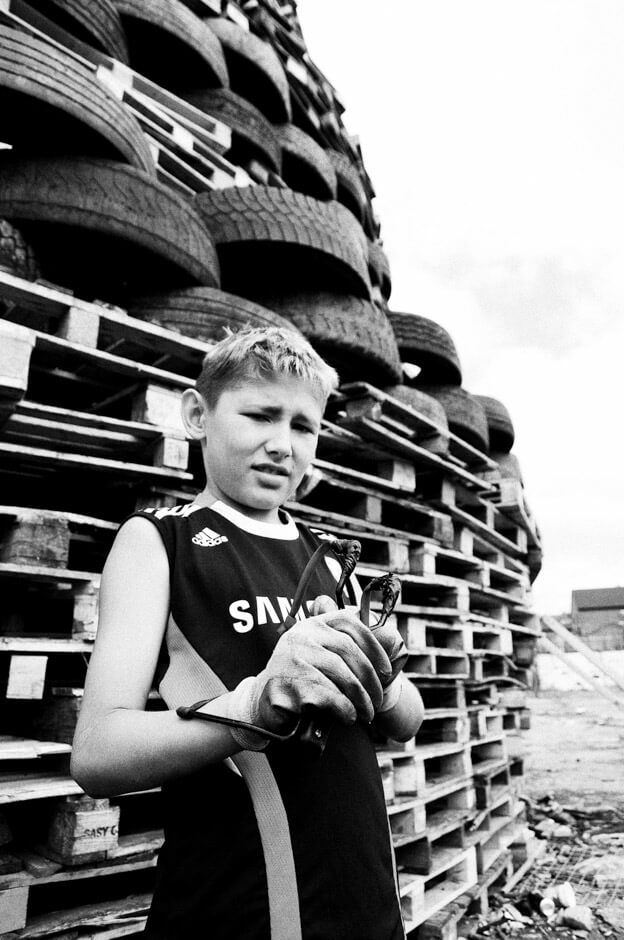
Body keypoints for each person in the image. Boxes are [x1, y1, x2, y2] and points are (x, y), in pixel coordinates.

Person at [71, 327, 424, 940]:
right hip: (238, 904)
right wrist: (257, 703)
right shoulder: (159, 541)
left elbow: (405, 719)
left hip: (365, 895)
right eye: (260, 414)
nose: (282, 445)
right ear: (197, 415)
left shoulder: (328, 555)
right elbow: (98, 753)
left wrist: (382, 677)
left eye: (303, 426)